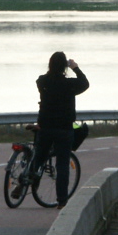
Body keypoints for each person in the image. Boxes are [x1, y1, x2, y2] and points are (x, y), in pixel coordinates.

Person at [30, 51, 89, 208]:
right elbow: (85, 83)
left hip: (45, 127)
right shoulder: (70, 84)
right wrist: (75, 67)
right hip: (64, 128)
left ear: (49, 64)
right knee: (62, 165)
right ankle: (62, 201)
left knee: (39, 159)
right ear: (65, 67)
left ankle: (26, 185)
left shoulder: (42, 81)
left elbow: (44, 81)